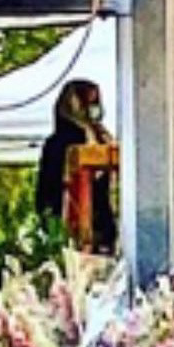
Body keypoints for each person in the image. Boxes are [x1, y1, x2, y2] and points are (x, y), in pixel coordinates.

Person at [36, 79, 117, 255]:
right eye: (90, 103)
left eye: (96, 103)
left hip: (101, 223)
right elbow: (48, 190)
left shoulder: (103, 136)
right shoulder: (61, 142)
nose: (94, 109)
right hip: (71, 222)